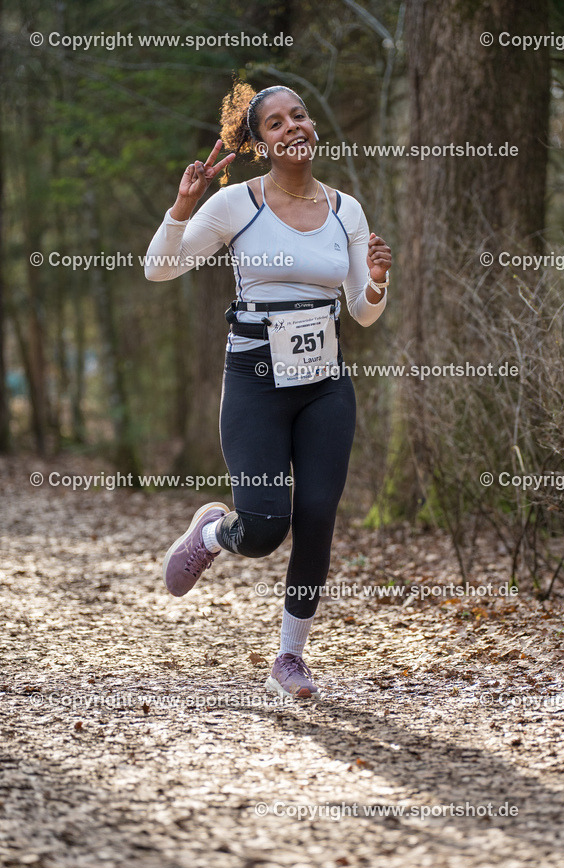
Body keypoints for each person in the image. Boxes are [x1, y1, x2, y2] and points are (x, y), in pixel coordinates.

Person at [144, 82, 391, 700]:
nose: (292, 128)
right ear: (259, 144)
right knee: (263, 529)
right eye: (275, 123)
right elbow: (159, 267)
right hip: (255, 381)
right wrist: (182, 207)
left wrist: (379, 285)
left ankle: (291, 656)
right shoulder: (234, 206)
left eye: (299, 115)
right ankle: (210, 535)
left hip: (324, 385)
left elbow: (360, 312)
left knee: (316, 516)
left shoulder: (347, 210)